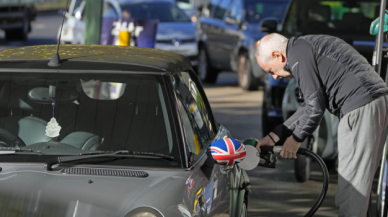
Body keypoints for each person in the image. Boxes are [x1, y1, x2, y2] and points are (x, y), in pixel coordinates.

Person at [255, 33, 388, 217]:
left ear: (278, 56)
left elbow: (315, 107)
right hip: (377, 102)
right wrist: (276, 135)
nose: (275, 77)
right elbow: (311, 103)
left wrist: (296, 139)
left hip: (359, 107)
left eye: (271, 70)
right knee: (361, 186)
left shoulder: (298, 55)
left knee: (351, 192)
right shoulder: (304, 47)